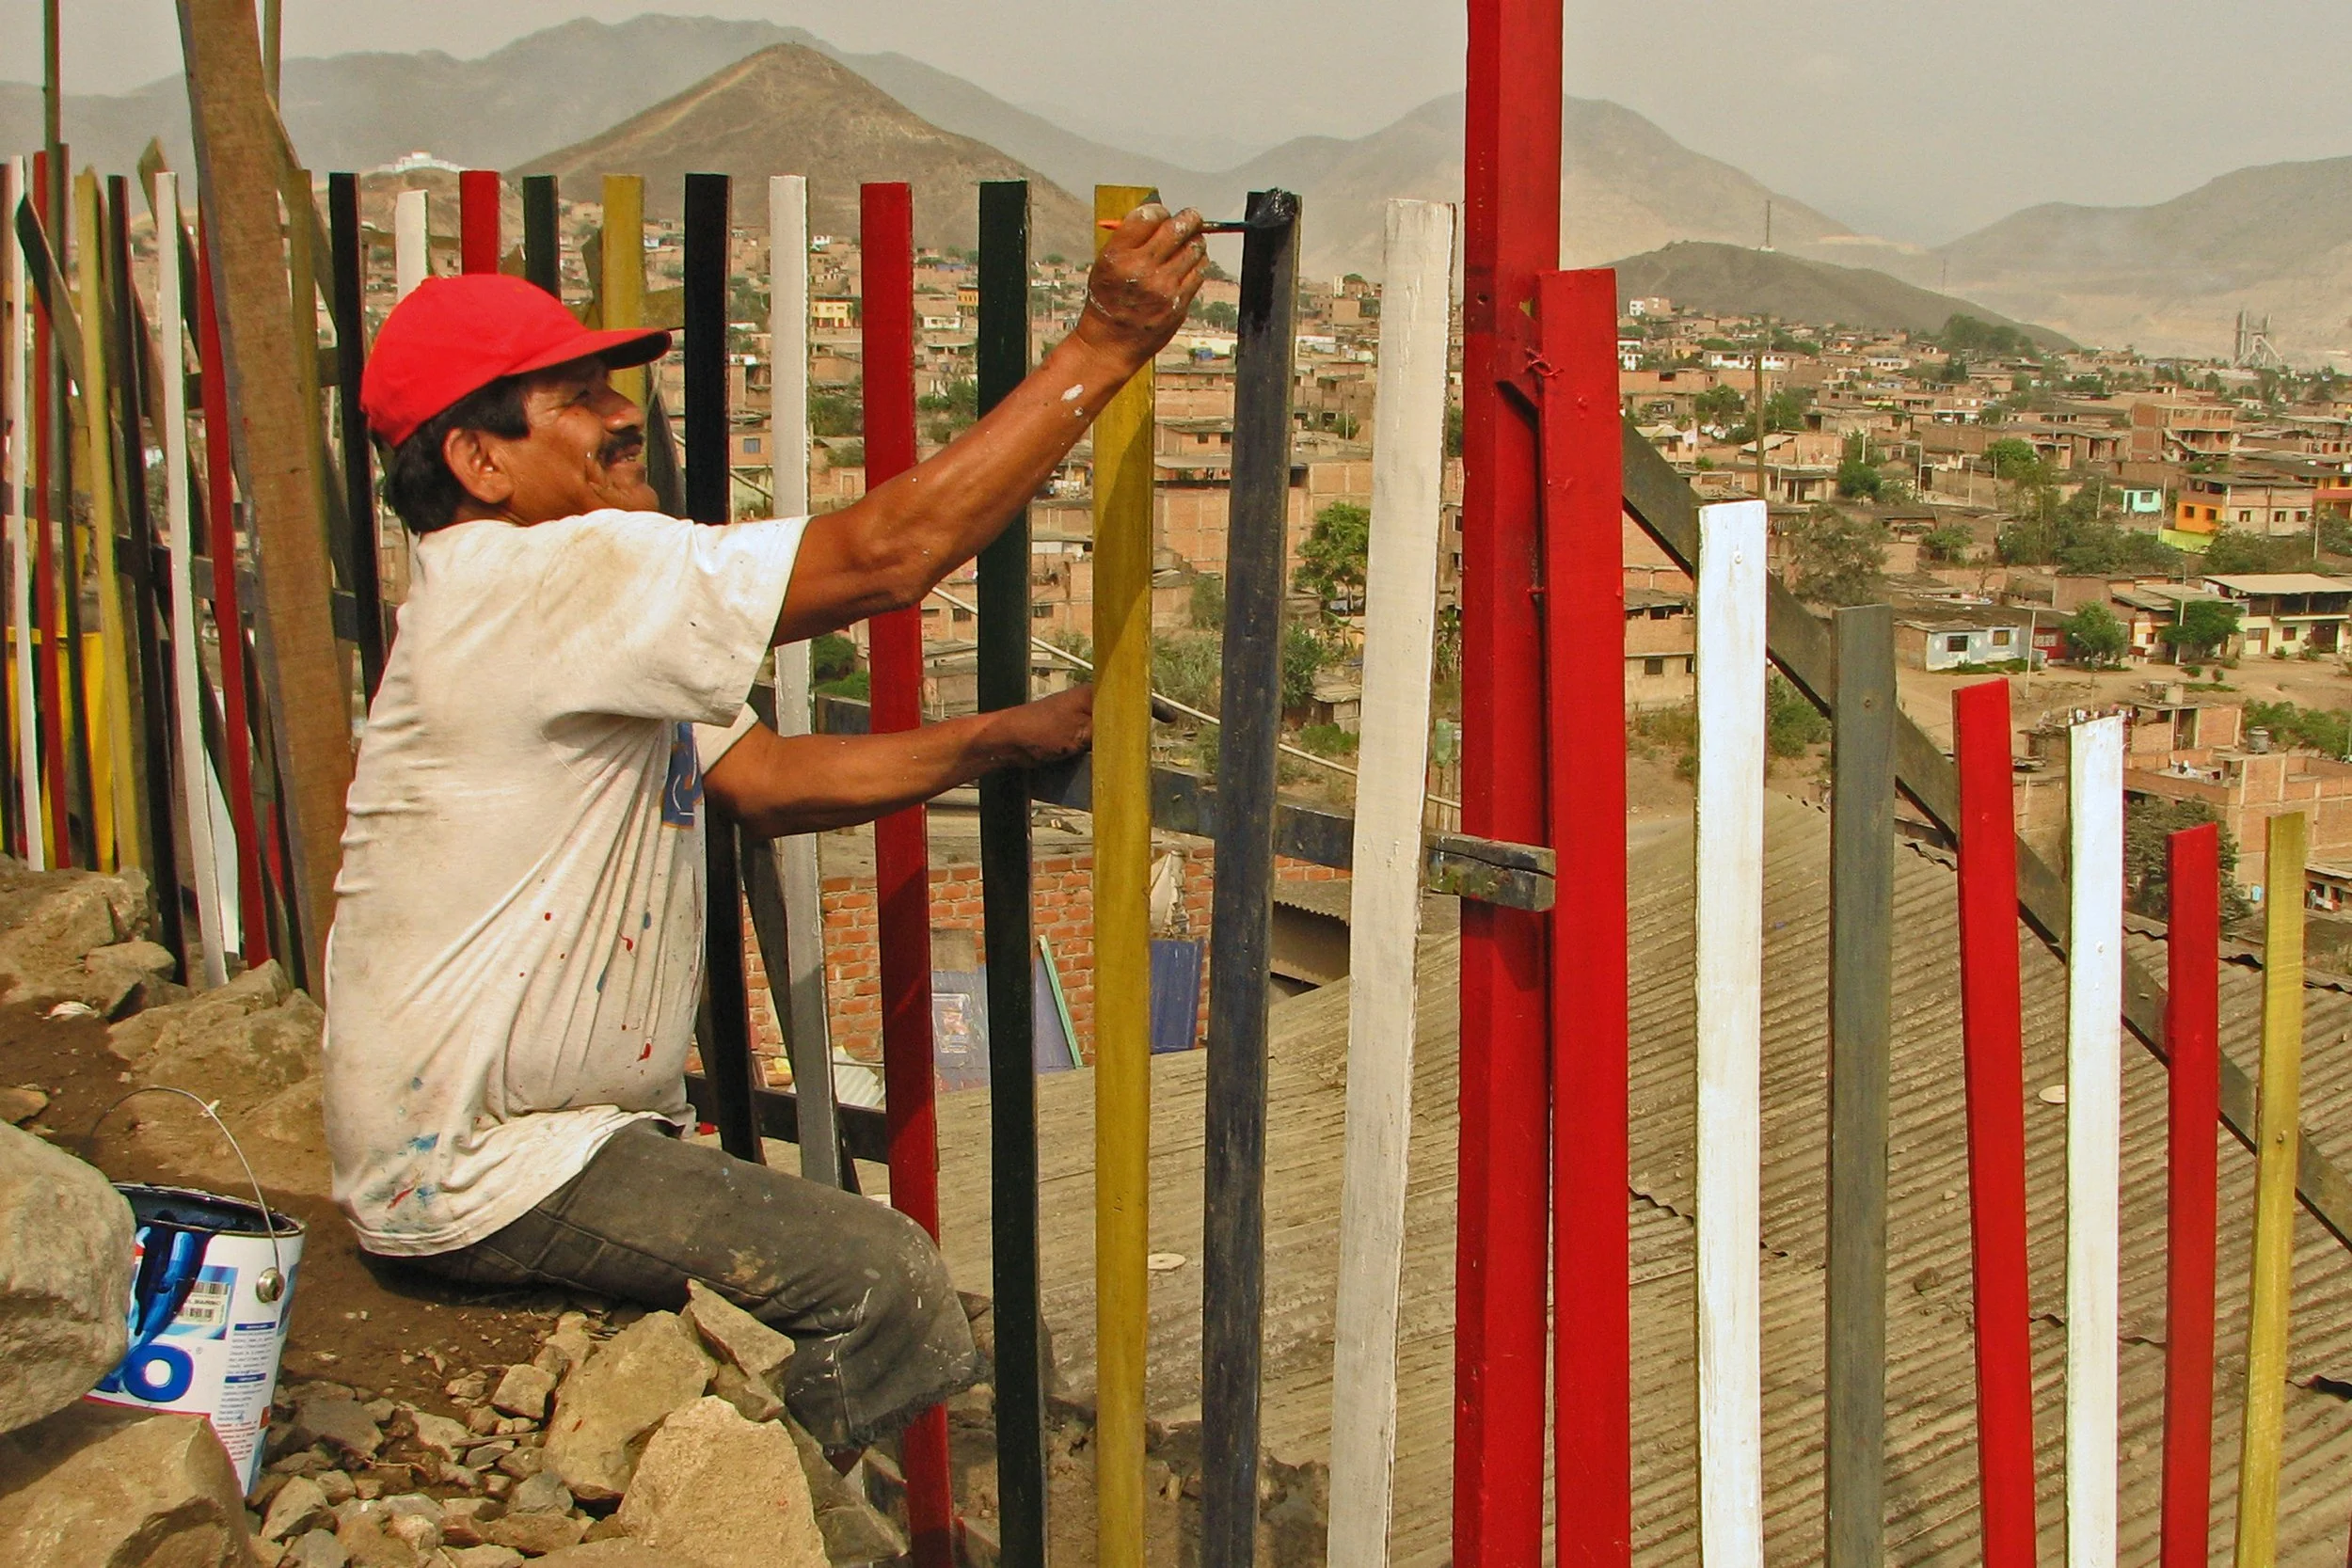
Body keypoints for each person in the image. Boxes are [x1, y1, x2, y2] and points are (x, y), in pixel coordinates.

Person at [327, 204, 1209, 1450]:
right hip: (486, 1164)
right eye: (575, 398)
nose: (623, 415)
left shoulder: (544, 615)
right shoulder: (547, 581)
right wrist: (1105, 349)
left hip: (503, 1144)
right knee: (887, 1284)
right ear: (478, 461)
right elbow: (893, 555)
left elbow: (765, 775)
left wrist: (987, 742)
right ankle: (733, 1512)